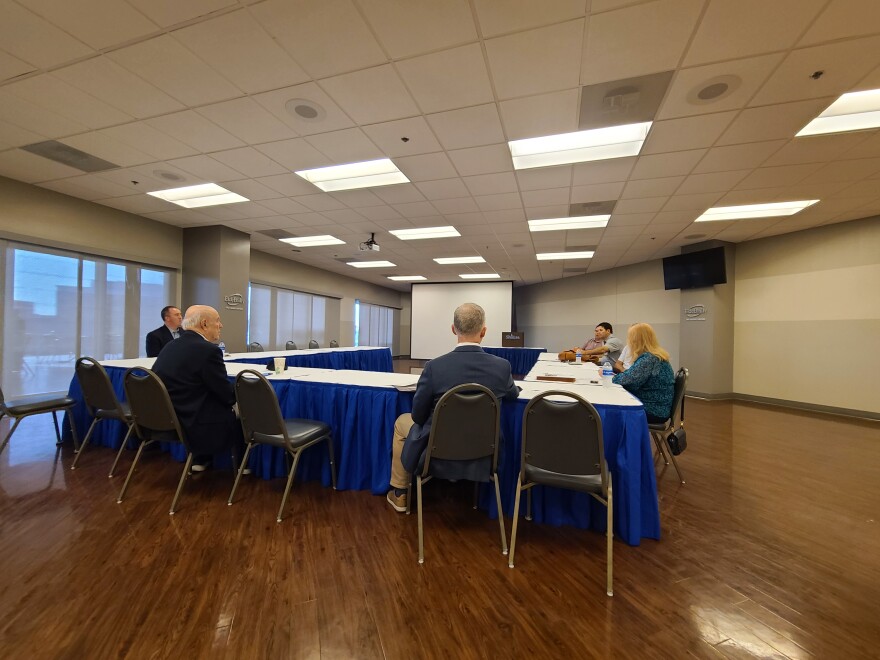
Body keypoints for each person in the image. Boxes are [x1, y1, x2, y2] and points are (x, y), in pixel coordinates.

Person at [387, 302, 521, 512]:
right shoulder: (502, 367)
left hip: (437, 447)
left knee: (401, 423)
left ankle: (400, 493)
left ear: (453, 329)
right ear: (483, 331)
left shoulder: (434, 367)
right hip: (484, 451)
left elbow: (419, 416)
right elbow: (512, 395)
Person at [152, 305, 243, 472]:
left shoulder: (170, 346)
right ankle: (244, 465)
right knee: (244, 410)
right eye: (218, 321)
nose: (221, 325)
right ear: (204, 324)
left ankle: (201, 458)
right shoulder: (208, 351)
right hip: (195, 423)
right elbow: (227, 396)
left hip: (169, 418)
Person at [612, 323, 674, 423]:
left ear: (637, 340)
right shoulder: (655, 355)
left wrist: (609, 378)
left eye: (630, 337)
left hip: (653, 410)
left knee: (610, 410)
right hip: (658, 407)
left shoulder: (648, 358)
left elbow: (629, 381)